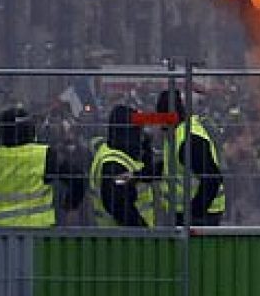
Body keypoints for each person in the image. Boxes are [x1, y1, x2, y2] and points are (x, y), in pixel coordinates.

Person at [156, 90, 227, 226]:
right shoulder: (177, 132)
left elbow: (212, 178)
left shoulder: (189, 141)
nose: (159, 125)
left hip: (201, 214)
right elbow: (170, 166)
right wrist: (139, 174)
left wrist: (193, 213)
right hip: (187, 212)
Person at [88, 105, 159, 228]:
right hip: (124, 238)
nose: (141, 133)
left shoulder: (114, 149)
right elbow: (118, 205)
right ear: (128, 131)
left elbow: (146, 172)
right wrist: (143, 231)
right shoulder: (114, 163)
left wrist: (146, 148)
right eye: (138, 129)